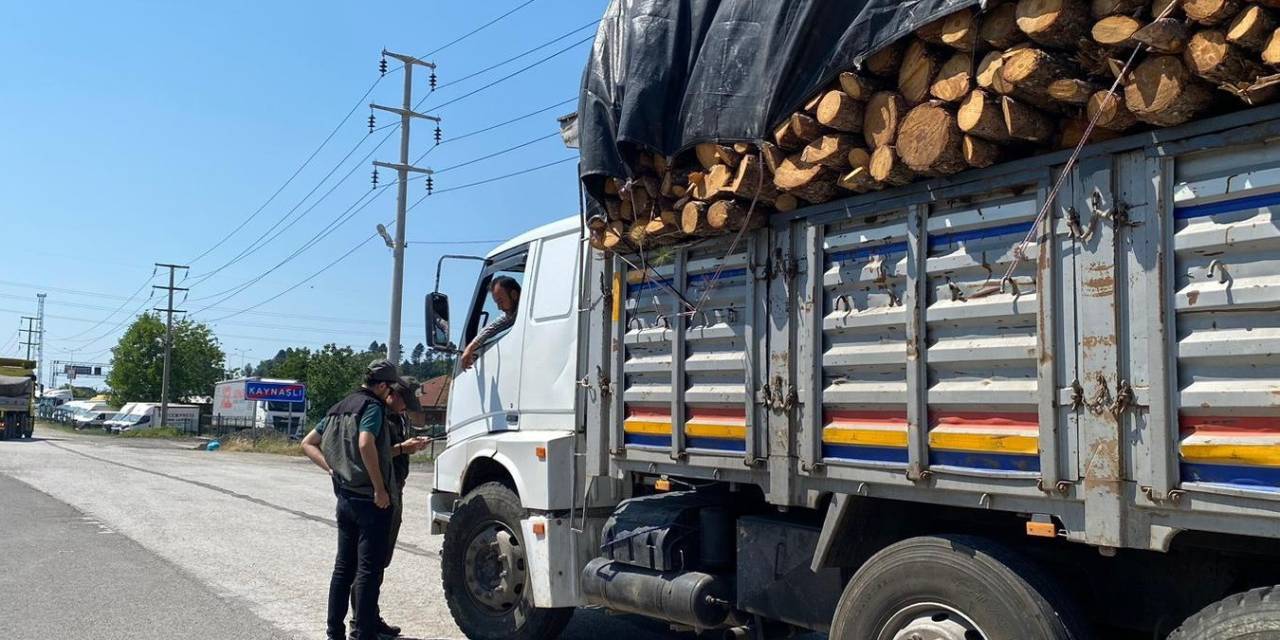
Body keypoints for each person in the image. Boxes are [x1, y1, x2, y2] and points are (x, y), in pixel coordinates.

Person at [300, 359, 401, 640]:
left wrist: (332, 468)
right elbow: (366, 442)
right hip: (371, 501)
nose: (391, 393)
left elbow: (307, 443)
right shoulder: (372, 408)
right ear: (381, 385)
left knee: (343, 569)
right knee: (368, 571)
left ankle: (334, 632)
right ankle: (364, 633)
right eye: (390, 387)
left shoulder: (337, 408)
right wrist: (380, 489)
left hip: (345, 499)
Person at [351, 377, 430, 638]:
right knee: (369, 562)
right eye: (403, 401)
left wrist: (411, 446)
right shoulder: (376, 414)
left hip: (395, 489)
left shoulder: (397, 417)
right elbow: (371, 449)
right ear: (391, 392)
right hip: (381, 492)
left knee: (379, 561)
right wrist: (401, 448)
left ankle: (370, 616)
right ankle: (360, 623)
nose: (405, 407)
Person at [460, 275, 521, 371]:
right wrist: (470, 348)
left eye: (500, 302)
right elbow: (491, 328)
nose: (499, 308)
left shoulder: (523, 313)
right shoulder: (511, 315)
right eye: (497, 303)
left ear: (514, 295)